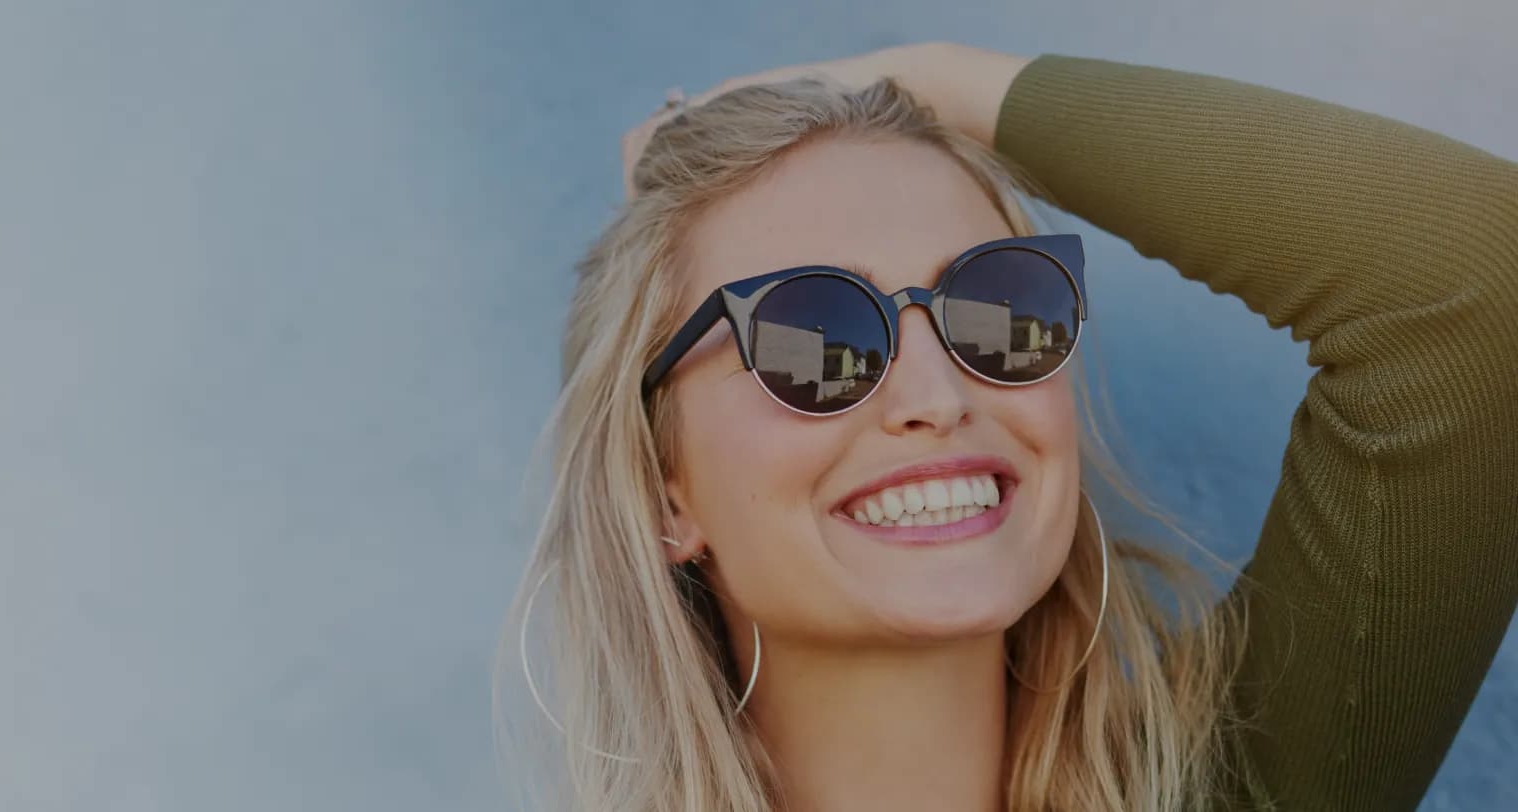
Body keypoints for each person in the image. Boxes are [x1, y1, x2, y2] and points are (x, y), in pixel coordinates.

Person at [498, 41, 1518, 810]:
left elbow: (1481, 281)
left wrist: (919, 80)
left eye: (998, 306)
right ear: (663, 487)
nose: (938, 397)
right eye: (812, 333)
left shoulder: (1228, 780)